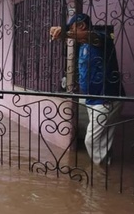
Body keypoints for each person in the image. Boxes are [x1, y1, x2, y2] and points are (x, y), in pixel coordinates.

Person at [50, 13, 125, 165]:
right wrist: (63, 29)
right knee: (103, 138)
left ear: (82, 26)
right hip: (93, 98)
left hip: (106, 97)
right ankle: (108, 165)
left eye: (73, 29)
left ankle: (102, 174)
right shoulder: (83, 45)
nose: (70, 34)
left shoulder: (102, 39)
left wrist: (65, 32)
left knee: (91, 140)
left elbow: (90, 36)